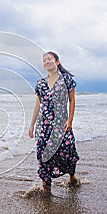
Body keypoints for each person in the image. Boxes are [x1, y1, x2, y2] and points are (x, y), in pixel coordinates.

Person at [23, 51, 80, 197]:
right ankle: (46, 188)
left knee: (67, 152)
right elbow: (38, 105)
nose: (47, 61)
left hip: (61, 124)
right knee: (43, 155)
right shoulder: (40, 84)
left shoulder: (66, 79)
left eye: (50, 59)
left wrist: (70, 120)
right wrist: (31, 125)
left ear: (57, 62)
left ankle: (72, 177)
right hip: (43, 126)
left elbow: (72, 100)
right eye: (44, 60)